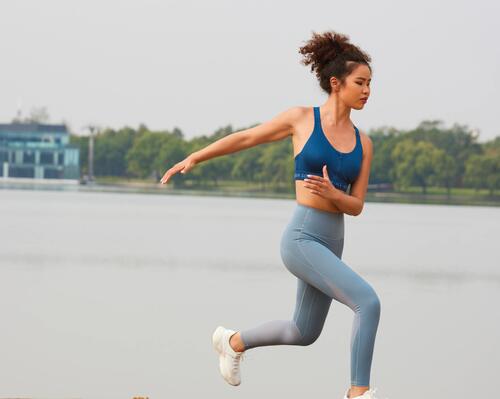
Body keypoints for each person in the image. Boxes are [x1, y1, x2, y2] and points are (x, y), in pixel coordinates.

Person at [160, 30, 385, 399]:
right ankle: (358, 392)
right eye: (360, 82)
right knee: (368, 302)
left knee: (303, 332)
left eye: (370, 84)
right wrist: (196, 156)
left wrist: (334, 194)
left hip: (334, 238)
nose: (367, 91)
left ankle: (232, 342)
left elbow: (357, 205)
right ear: (335, 83)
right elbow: (248, 138)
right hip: (302, 238)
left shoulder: (365, 143)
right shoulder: (301, 119)